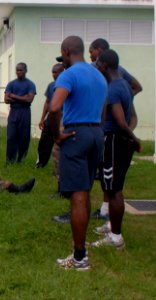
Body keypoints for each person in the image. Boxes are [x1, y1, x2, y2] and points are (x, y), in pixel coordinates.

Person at [49, 36, 107, 271]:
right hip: (96, 134)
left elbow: (54, 108)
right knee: (86, 191)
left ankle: (80, 257)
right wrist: (97, 130)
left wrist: (57, 136)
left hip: (75, 135)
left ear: (65, 51)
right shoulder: (98, 75)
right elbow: (103, 108)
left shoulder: (68, 74)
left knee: (78, 196)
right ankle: (80, 252)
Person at [90, 49, 142, 250]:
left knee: (114, 190)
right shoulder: (125, 86)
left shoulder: (112, 89)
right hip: (119, 142)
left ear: (104, 65)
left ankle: (116, 237)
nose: (96, 67)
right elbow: (132, 117)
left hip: (113, 142)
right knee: (110, 187)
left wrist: (133, 138)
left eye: (97, 64)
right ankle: (112, 225)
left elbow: (121, 121)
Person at [4, 62, 36, 164]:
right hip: (14, 112)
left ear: (25, 71)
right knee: (11, 136)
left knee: (24, 137)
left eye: (21, 70)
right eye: (17, 70)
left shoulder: (30, 84)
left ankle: (21, 159)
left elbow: (29, 99)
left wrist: (14, 96)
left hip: (25, 112)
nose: (19, 72)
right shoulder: (11, 84)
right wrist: (22, 97)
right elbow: (6, 99)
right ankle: (10, 160)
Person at [36, 63, 64, 168]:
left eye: (56, 72)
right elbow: (47, 102)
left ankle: (59, 166)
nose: (54, 74)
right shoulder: (51, 85)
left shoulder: (67, 85)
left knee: (59, 144)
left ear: (62, 72)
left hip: (62, 119)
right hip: (50, 118)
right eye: (53, 72)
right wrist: (42, 118)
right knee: (44, 142)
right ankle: (40, 163)